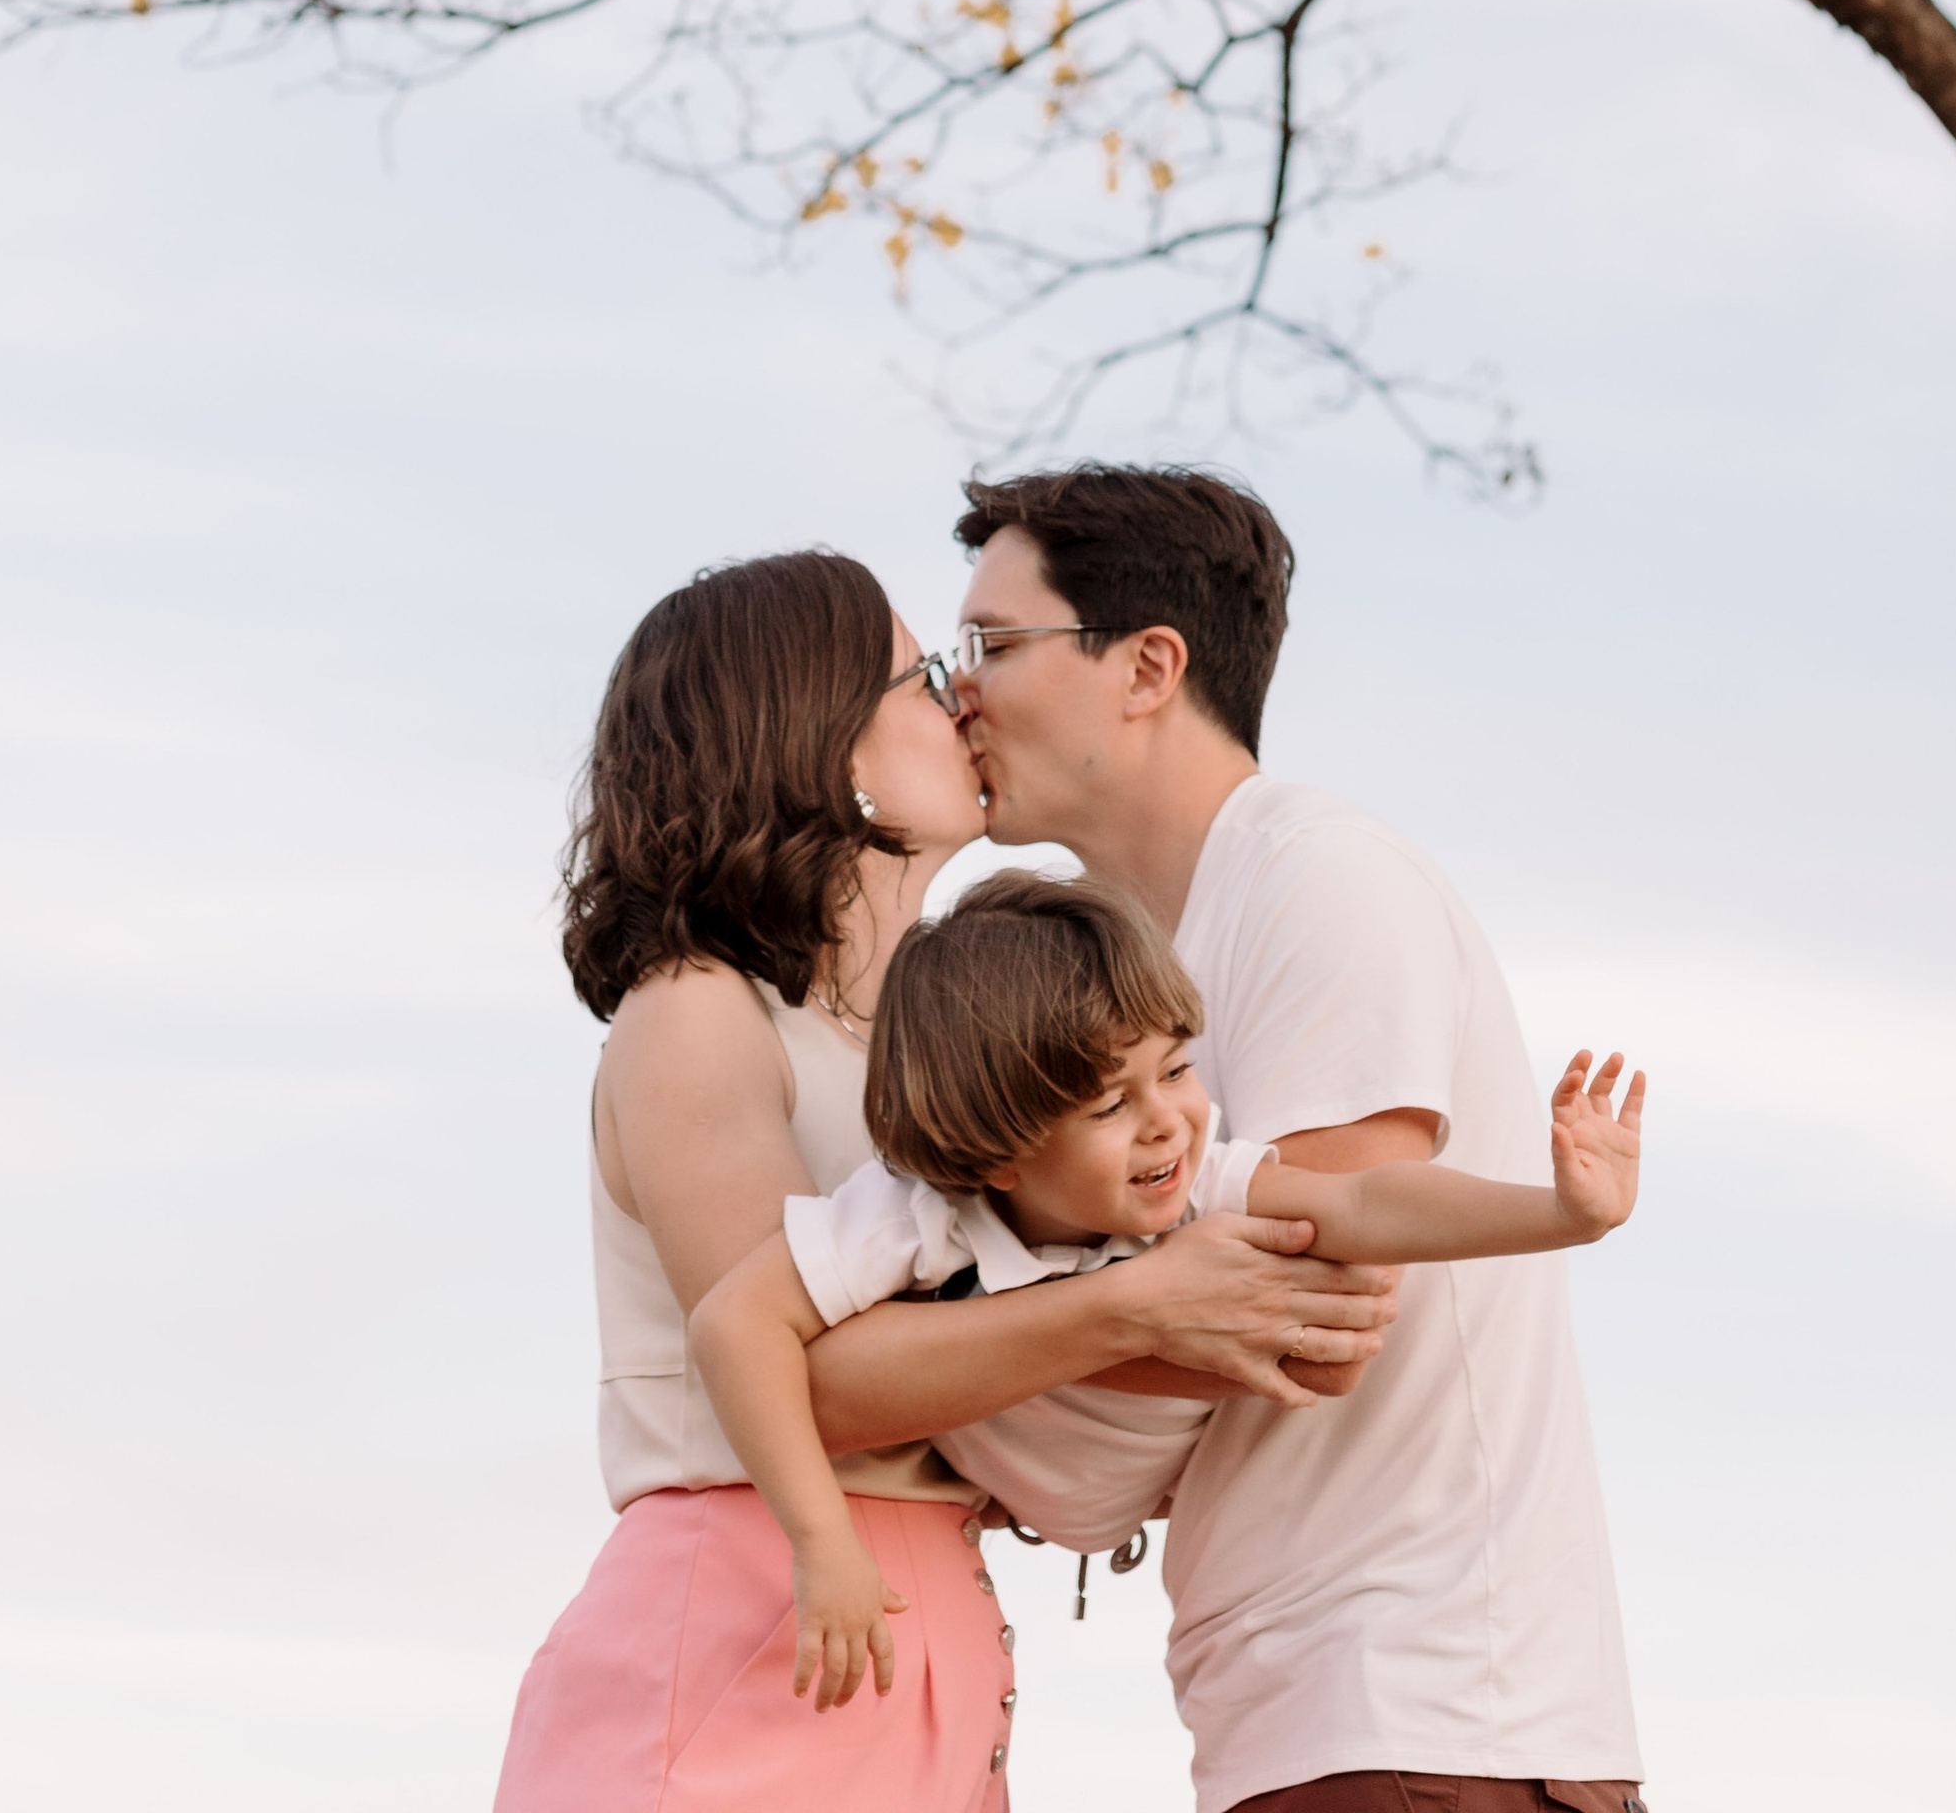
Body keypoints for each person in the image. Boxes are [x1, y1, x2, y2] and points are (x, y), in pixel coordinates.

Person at [488, 546, 1399, 1813]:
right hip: (752, 1635)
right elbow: (800, 1376)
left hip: (917, 1644)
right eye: (920, 677)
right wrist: (1136, 1312)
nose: (963, 699)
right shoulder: (697, 1013)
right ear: (829, 751)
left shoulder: (912, 1058)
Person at [950, 465, 1649, 1813]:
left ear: (1149, 666)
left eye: (992, 644)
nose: (957, 690)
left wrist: (932, 1364)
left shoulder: (1319, 879)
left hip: (1420, 1716)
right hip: (1324, 1723)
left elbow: (1312, 1312)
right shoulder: (1148, 961)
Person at [691, 867, 1644, 1712]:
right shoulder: (921, 1216)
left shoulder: (1203, 1187)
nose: (1169, 1124)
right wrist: (822, 1542)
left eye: (1178, 1068)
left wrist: (1559, 1215)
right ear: (997, 1152)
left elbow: (1359, 1198)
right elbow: (734, 1323)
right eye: (1111, 1104)